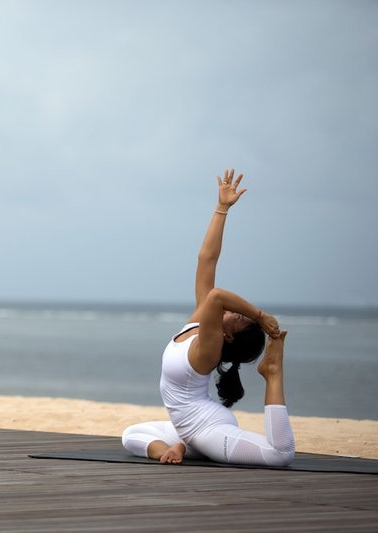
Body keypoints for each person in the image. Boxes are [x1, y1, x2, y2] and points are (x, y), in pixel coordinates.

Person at [121, 169, 295, 466]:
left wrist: (259, 316)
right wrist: (222, 208)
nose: (233, 312)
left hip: (206, 428)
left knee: (279, 454)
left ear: (227, 337)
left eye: (238, 318)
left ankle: (273, 371)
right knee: (131, 434)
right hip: (190, 423)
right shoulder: (198, 326)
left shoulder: (208, 349)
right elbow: (207, 259)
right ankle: (175, 447)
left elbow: (217, 297)